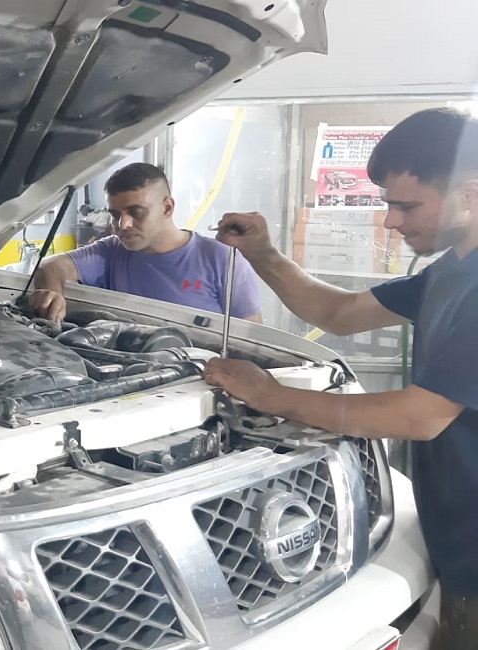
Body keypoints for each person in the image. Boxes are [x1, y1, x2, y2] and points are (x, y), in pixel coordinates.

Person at [203, 107, 478, 649]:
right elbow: (340, 313)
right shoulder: (449, 273)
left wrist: (271, 395)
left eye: (407, 206)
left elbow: (418, 416)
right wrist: (263, 253)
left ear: (470, 192)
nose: (391, 222)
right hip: (455, 541)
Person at [28, 163, 262, 323]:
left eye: (136, 212)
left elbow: (253, 342)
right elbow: (50, 266)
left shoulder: (223, 261)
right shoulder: (111, 251)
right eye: (115, 215)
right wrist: (51, 295)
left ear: (167, 207)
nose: (123, 224)